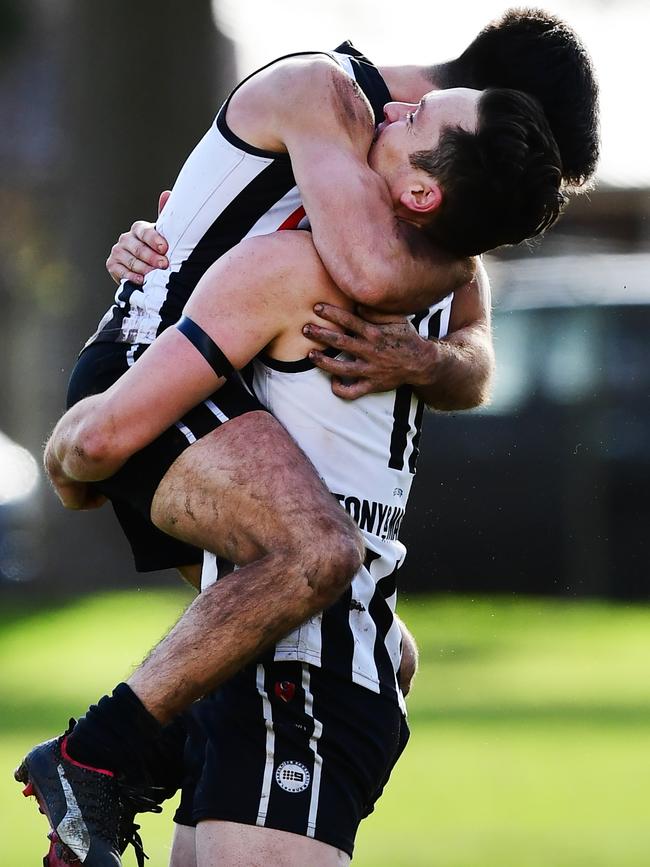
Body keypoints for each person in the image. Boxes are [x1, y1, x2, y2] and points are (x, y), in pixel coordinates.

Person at [17, 10, 598, 866]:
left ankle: (135, 770)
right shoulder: (326, 96)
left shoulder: (416, 200)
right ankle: (94, 760)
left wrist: (428, 353)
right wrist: (480, 235)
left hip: (220, 381)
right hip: (151, 373)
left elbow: (475, 366)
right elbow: (365, 272)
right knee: (315, 555)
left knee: (381, 644)